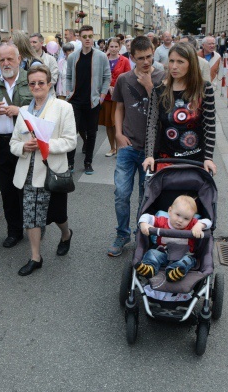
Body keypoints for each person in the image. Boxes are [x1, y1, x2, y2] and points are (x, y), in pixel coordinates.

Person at [10, 65, 76, 276]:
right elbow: (13, 142)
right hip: (27, 173)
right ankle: (35, 257)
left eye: (41, 82)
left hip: (51, 172)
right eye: (32, 83)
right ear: (28, 86)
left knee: (57, 215)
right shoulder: (24, 111)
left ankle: (66, 234)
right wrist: (23, 147)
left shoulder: (63, 108)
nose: (36, 86)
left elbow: (70, 141)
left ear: (49, 84)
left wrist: (44, 143)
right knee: (31, 216)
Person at [107, 36, 166, 258]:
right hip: (128, 147)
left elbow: (164, 112)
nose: (146, 62)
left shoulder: (163, 77)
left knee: (146, 195)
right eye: (140, 58)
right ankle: (122, 234)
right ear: (131, 58)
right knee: (121, 193)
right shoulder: (124, 79)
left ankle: (142, 235)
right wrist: (119, 135)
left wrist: (150, 86)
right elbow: (119, 108)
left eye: (149, 57)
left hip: (151, 150)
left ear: (153, 53)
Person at [0, 43, 33, 248]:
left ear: (19, 58)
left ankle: (35, 227)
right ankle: (14, 231)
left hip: (25, 143)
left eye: (10, 59)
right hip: (1, 146)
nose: (6, 63)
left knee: (28, 189)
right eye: (2, 60)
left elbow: (46, 112)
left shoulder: (31, 80)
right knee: (8, 191)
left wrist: (21, 112)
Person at [142, 43, 217, 175]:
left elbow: (209, 126)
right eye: (171, 61)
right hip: (167, 159)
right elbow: (152, 124)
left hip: (195, 160)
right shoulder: (159, 89)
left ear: (191, 64)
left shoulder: (204, 88)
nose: (174, 66)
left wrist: (208, 158)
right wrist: (149, 155)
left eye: (180, 62)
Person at [65, 24, 111, 175]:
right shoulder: (73, 57)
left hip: (93, 101)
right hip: (75, 101)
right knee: (72, 132)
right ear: (79, 37)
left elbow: (107, 77)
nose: (87, 39)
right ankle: (70, 162)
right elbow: (69, 76)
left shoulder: (101, 56)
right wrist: (68, 92)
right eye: (84, 36)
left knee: (92, 133)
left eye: (90, 36)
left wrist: (102, 96)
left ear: (93, 38)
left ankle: (88, 162)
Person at [135, 195, 212, 282]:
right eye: (178, 215)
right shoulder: (162, 221)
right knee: (152, 253)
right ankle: (150, 268)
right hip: (164, 254)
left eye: (186, 218)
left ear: (191, 219)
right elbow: (146, 216)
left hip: (184, 256)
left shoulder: (192, 225)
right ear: (170, 211)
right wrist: (143, 224)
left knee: (188, 260)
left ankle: (174, 272)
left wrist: (199, 225)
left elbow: (208, 222)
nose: (180, 220)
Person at [99, 37, 131, 158]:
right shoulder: (104, 59)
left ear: (119, 47)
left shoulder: (124, 60)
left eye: (115, 47)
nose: (113, 49)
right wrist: (107, 86)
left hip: (120, 96)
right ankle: (112, 147)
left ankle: (120, 148)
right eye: (111, 47)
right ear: (108, 47)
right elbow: (99, 76)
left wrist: (116, 86)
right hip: (106, 96)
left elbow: (128, 77)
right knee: (108, 123)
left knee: (117, 123)